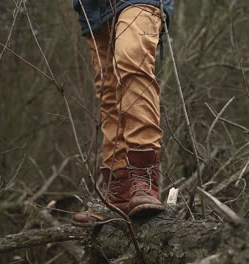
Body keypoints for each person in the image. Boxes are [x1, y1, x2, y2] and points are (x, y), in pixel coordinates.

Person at [71, 0, 174, 226]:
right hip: (93, 10)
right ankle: (119, 192)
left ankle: (143, 179)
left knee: (133, 61)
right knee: (108, 92)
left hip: (138, 2)